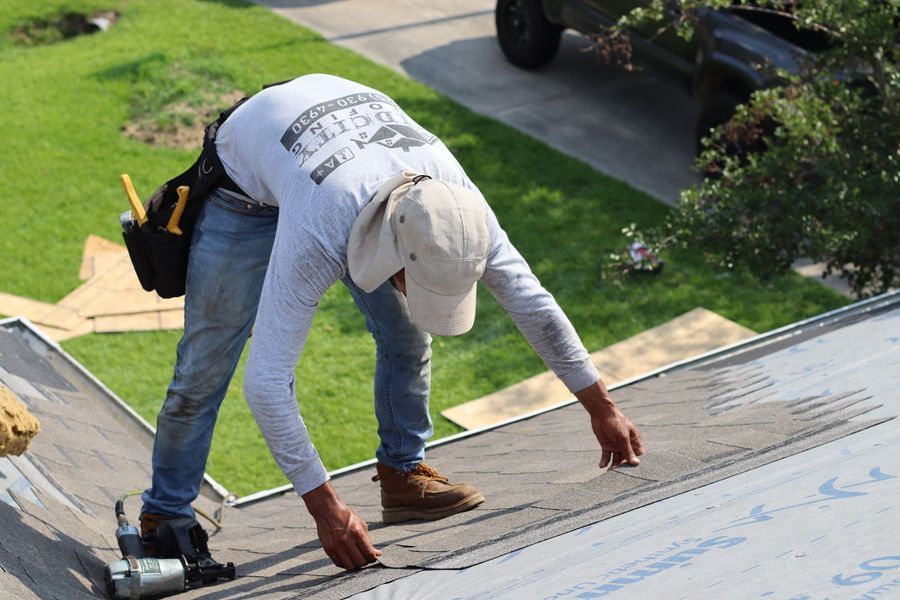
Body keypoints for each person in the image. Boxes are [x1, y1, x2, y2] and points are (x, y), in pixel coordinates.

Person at [141, 73, 645, 572]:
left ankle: (403, 474)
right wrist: (326, 510)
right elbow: (267, 385)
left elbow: (533, 305)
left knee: (407, 333)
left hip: (340, 161)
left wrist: (602, 407)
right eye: (419, 284)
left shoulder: (460, 211)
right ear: (394, 255)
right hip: (246, 187)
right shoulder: (322, 230)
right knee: (203, 369)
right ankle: (165, 512)